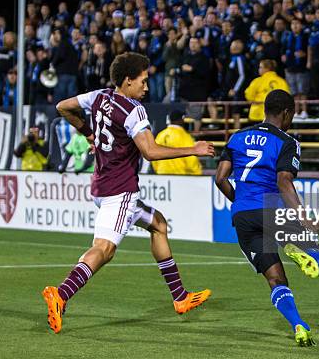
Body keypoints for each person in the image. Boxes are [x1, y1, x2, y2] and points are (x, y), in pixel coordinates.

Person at [43, 52, 214, 334]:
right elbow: (150, 151)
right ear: (127, 81)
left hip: (101, 185)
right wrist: (192, 149)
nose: (147, 87)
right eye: (143, 81)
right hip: (120, 192)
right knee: (104, 249)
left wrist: (89, 133)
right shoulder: (134, 111)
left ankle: (180, 297)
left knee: (158, 224)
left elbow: (63, 106)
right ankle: (61, 294)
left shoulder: (99, 96)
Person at [215, 89, 319, 347]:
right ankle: (296, 249)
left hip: (243, 216)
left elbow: (220, 178)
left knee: (276, 279)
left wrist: (241, 203)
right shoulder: (287, 141)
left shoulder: (237, 137)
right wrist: (305, 219)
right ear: (287, 113)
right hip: (271, 211)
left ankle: (299, 324)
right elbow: (284, 181)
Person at [152, 109, 202, 175]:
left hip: (161, 174)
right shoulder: (184, 136)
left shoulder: (161, 135)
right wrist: (197, 174)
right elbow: (191, 158)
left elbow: (154, 155)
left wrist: (157, 170)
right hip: (180, 176)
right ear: (181, 120)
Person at [51, 27, 79, 103]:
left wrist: (53, 63)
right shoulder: (70, 44)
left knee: (61, 98)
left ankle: (59, 115)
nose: (55, 36)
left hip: (63, 75)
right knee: (71, 99)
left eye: (57, 33)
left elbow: (60, 56)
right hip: (73, 74)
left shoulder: (63, 43)